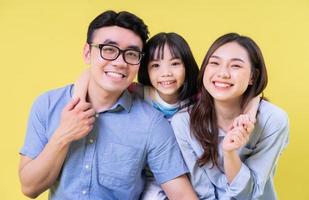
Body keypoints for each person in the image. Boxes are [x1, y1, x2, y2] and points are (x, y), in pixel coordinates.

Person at [19, 10, 199, 200]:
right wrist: (63, 136)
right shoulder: (48, 104)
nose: (120, 63)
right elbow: (30, 188)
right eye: (109, 49)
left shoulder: (152, 123)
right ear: (87, 53)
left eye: (131, 54)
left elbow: (182, 194)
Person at [74, 32, 260, 200]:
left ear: (187, 66)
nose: (166, 73)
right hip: (152, 176)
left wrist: (250, 114)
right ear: (145, 70)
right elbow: (90, 75)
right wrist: (79, 100)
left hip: (190, 176)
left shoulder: (198, 97)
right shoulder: (142, 93)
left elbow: (254, 94)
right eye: (155, 65)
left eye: (175, 63)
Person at [171, 33, 289, 199]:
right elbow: (203, 191)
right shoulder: (184, 122)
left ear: (252, 77)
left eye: (235, 66)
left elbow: (250, 193)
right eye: (214, 63)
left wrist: (230, 153)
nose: (223, 73)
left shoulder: (273, 120)